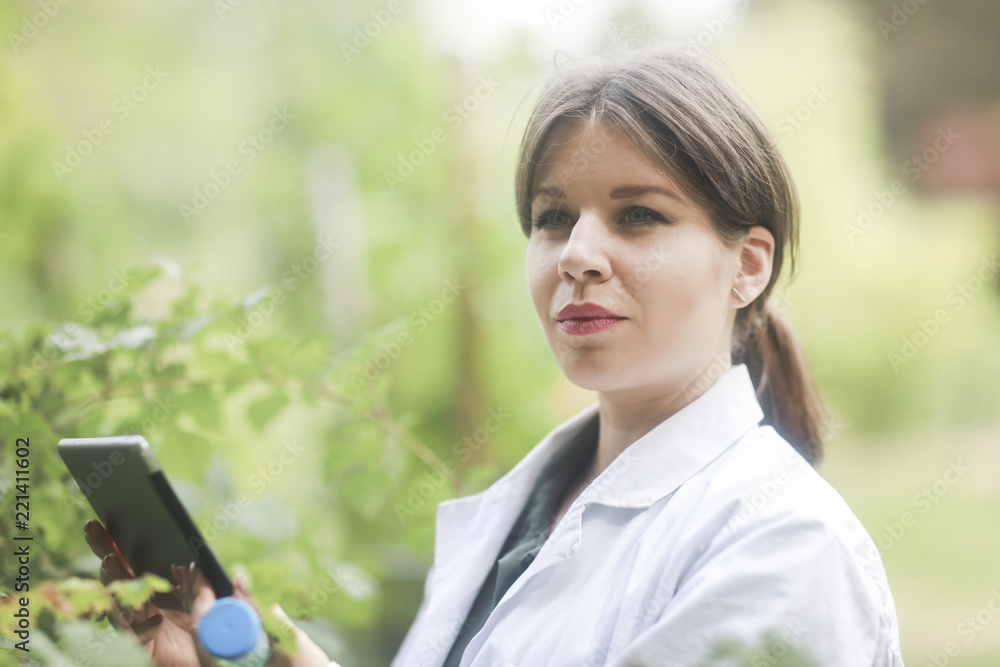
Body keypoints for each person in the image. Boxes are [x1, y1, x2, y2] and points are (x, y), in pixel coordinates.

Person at [84, 45, 904, 666]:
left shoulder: (786, 547)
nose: (578, 253)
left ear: (748, 263)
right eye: (553, 217)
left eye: (640, 215)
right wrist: (256, 651)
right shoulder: (525, 514)